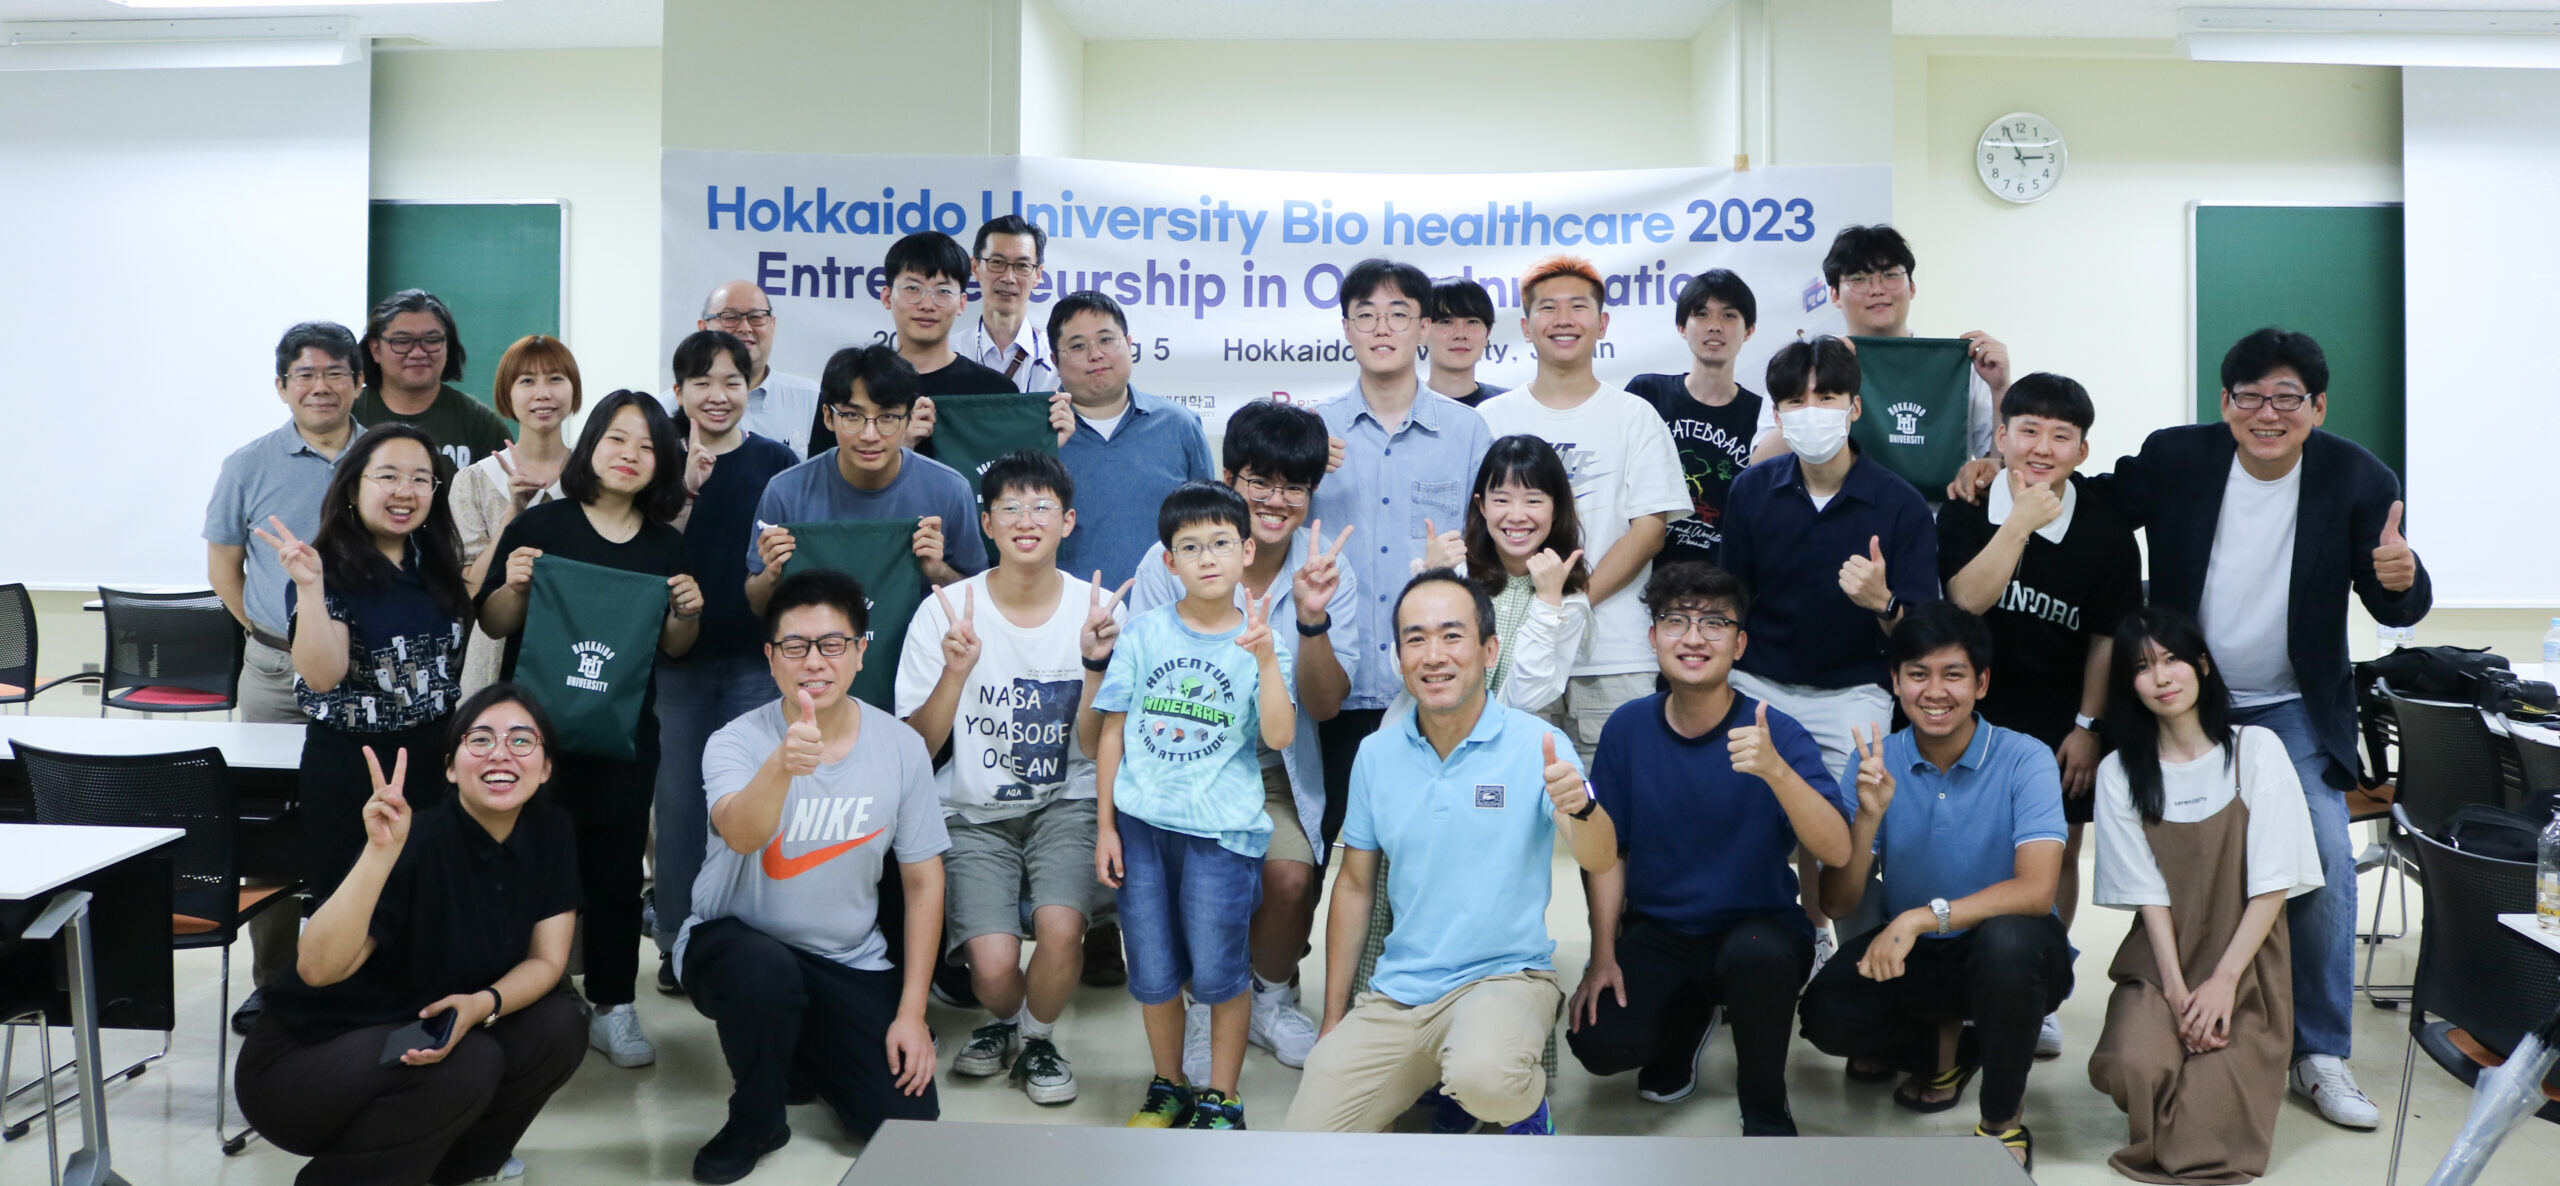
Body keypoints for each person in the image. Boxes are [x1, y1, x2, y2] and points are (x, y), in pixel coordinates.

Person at [1949, 327, 2430, 1130]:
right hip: (2177, 696)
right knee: (2154, 849)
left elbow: (2394, 600)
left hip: (2288, 707)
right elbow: (2085, 495)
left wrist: (2404, 580)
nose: (2267, 413)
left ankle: (2320, 1051)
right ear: (2224, 403)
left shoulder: (2355, 478)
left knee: (2320, 858)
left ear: (2317, 407)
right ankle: (2125, 995)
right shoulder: (2178, 458)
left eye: (2287, 399)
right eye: (2250, 396)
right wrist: (1999, 468)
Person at [1285, 570, 1615, 1136]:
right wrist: (1334, 1016)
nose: (1433, 655)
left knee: (1486, 1076)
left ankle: (1521, 1106)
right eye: (1416, 638)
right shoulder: (1376, 754)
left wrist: (1580, 806)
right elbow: (1356, 885)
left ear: (1489, 650)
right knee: (1309, 1141)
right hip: (1402, 992)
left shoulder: (1537, 743)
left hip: (1507, 978)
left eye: (1452, 635)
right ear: (1400, 656)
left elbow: (1600, 857)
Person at [235, 685, 587, 1186]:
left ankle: (454, 1169)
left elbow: (548, 963)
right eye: (480, 740)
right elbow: (317, 969)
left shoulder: (551, 832)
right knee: (470, 1058)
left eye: (522, 741)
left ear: (546, 766)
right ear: (450, 767)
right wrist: (378, 854)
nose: (501, 753)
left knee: (558, 1025)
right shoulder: (413, 841)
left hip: (416, 1032)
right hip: (307, 1062)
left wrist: (480, 1004)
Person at [678, 570, 949, 1184]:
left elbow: (923, 883)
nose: (813, 662)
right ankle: (755, 1120)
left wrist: (911, 1013)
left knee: (904, 1120)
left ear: (859, 651)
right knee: (764, 974)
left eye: (832, 644)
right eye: (795, 647)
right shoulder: (735, 742)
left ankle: (800, 1054)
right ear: (771, 658)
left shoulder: (901, 747)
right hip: (734, 943)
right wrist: (781, 765)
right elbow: (743, 835)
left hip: (848, 957)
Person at [1566, 562, 1849, 1134]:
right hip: (1661, 928)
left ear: (1739, 643)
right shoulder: (1627, 728)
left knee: (1756, 958)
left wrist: (1777, 772)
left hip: (1758, 924)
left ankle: (1765, 1104)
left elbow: (1837, 848)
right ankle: (1687, 1020)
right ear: (1652, 639)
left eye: (1714, 623)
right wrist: (1603, 954)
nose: (1693, 637)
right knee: (1598, 1042)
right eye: (1675, 621)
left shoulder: (1776, 730)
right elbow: (1610, 853)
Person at [1799, 600, 2071, 1173]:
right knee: (1826, 1015)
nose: (1935, 691)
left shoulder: (2026, 758)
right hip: (1920, 960)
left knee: (2008, 944)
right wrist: (1868, 818)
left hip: (2011, 957)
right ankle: (1949, 1049)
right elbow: (1837, 903)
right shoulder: (1875, 758)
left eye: (1953, 675)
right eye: (1918, 674)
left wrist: (1919, 917)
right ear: (1895, 682)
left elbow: (2037, 891)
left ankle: (2002, 1122)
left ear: (1982, 682)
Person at [477, 391, 705, 1070]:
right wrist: (514, 584)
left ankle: (614, 1005)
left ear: (663, 461)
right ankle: (514, 1001)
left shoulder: (667, 546)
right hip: (530, 746)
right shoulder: (542, 528)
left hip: (622, 744)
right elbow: (493, 623)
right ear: (590, 446)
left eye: (646, 446)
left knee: (612, 878)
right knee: (519, 873)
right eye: (616, 439)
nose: (630, 455)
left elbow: (676, 648)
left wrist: (686, 612)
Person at [1128, 402, 1358, 1076]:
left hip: (1272, 761)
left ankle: (1269, 996)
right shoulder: (1168, 559)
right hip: (1178, 762)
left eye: (1294, 486)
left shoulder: (1322, 569)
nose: (1277, 499)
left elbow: (1325, 704)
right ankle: (1205, 1004)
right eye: (1260, 481)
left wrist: (1312, 621)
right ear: (1229, 478)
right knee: (1188, 879)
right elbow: (1138, 686)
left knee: (1289, 877)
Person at [893, 451, 1121, 1105]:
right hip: (968, 809)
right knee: (992, 969)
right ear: (987, 524)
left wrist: (1093, 664)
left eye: (1043, 506)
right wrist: (955, 673)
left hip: (1068, 802)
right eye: (1011, 508)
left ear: (1068, 521)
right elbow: (916, 747)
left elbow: (1091, 743)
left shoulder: (1099, 611)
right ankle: (1006, 1021)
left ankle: (1037, 1039)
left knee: (1057, 929)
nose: (1028, 520)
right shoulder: (944, 611)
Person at [1937, 371, 2143, 1057]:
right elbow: (1965, 600)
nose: (2042, 447)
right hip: (1973, 716)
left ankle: (2041, 988)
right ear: (2001, 436)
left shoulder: (2109, 532)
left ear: (2083, 451)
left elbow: (2107, 641)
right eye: (2028, 430)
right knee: (1968, 847)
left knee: (2056, 853)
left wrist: (2087, 729)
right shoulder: (1967, 506)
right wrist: (2018, 523)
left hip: (2061, 721)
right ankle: (1965, 981)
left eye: (2061, 436)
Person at [1084, 481, 1297, 1131]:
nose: (1207, 558)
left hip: (1221, 835)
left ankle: (1222, 1095)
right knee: (1151, 971)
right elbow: (1112, 731)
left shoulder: (1261, 639)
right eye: (1190, 547)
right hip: (1142, 831)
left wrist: (1264, 662)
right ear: (1168, 562)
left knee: (1219, 974)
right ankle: (1169, 1084)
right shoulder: (1145, 633)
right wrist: (1105, 828)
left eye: (1221, 544)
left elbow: (1279, 737)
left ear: (1246, 551)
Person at [1721, 335, 1938, 963]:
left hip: (1855, 689)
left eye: (1828, 396)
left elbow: (1923, 632)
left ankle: (1855, 964)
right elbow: (1731, 600)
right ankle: (1765, 947)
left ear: (1855, 407)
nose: (1811, 410)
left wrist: (1884, 602)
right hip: (1759, 682)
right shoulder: (1752, 492)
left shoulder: (1899, 504)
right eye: (1795, 399)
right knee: (1742, 820)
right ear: (1778, 413)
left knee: (1849, 834)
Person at [2087, 606, 2324, 1184]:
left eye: (2172, 659)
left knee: (2205, 1146)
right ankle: (2164, 1088)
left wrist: (2221, 984)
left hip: (2244, 969)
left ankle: (2187, 1112)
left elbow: (2272, 887)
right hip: (2162, 963)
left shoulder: (2257, 750)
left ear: (2202, 665)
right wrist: (2174, 991)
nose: (2162, 677)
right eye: (2143, 667)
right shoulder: (2120, 772)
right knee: (2130, 1064)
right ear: (2129, 684)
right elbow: (2149, 897)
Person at [204, 320, 366, 1032]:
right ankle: (273, 980)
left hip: (369, 672)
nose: (321, 384)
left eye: (335, 371)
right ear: (282, 386)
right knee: (266, 828)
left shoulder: (388, 457)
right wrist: (270, 635)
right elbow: (224, 566)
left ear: (359, 381)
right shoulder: (248, 464)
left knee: (365, 819)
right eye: (305, 373)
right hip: (272, 671)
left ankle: (356, 968)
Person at [1476, 255, 1689, 764]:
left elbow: (1650, 531)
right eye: (1547, 308)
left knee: (1617, 817)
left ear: (1603, 323)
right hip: (1510, 654)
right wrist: (1534, 619)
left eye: (1579, 306)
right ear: (1526, 327)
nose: (1564, 319)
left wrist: (1569, 606)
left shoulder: (1636, 416)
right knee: (1516, 802)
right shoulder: (1490, 418)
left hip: (1613, 655)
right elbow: (1475, 528)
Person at [1310, 259, 1493, 850]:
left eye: (1398, 314)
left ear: (1423, 330)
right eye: (1365, 315)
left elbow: (1488, 554)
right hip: (1334, 680)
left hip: (1432, 681)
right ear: (1346, 328)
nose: (1381, 328)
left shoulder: (1468, 432)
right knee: (1319, 848)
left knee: (1435, 851)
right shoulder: (1314, 432)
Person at [254, 424, 469, 902]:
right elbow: (323, 674)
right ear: (354, 487)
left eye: (420, 479)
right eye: (388, 476)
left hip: (431, 759)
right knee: (352, 908)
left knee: (424, 903)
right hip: (352, 765)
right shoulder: (321, 568)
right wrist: (310, 588)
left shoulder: (433, 565)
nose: (404, 491)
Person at [652, 330, 802, 994]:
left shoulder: (778, 462)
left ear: (752, 388)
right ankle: (676, 941)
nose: (718, 396)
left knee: (750, 804)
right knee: (679, 807)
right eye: (702, 383)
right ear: (679, 390)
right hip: (673, 665)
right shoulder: (653, 460)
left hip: (753, 664)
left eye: (732, 382)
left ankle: (744, 939)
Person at [750, 345, 985, 616]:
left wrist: (937, 570)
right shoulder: (786, 491)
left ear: (908, 418)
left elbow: (977, 601)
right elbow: (758, 606)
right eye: (853, 416)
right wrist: (773, 574)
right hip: (817, 657)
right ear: (828, 417)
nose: (870, 434)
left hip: (918, 656)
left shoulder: (950, 489)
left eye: (887, 417)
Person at [1753, 225, 2006, 465]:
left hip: (1933, 511)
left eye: (1890, 275)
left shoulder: (1958, 368)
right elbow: (1760, 463)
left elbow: (1999, 465)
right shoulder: (1805, 364)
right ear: (1834, 295)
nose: (1877, 289)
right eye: (1859, 279)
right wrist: (1817, 387)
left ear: (1913, 287)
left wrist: (2000, 388)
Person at [1050, 289, 1216, 592]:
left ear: (1129, 344)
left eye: (1106, 339)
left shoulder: (1180, 426)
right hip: (1065, 623)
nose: (1095, 354)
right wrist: (1043, 449)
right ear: (1054, 361)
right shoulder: (1038, 435)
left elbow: (1211, 530)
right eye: (1077, 345)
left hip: (1167, 620)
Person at [451, 335, 580, 698]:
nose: (543, 393)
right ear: (507, 394)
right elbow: (471, 588)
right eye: (527, 381)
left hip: (573, 655)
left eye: (556, 379)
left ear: (573, 390)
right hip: (492, 658)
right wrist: (514, 510)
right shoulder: (473, 480)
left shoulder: (592, 478)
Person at [819, 230, 1015, 458]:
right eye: (913, 288)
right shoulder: (851, 383)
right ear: (886, 297)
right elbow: (821, 475)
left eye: (943, 291)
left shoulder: (995, 392)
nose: (927, 304)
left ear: (962, 303)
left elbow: (1013, 483)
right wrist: (896, 446)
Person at [1625, 269, 1763, 569]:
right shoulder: (1646, 394)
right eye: (1701, 314)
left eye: (1729, 316)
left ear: (1749, 329)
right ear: (1682, 327)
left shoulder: (1761, 415)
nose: (1715, 326)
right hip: (1642, 576)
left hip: (1723, 586)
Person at [1455, 435, 1592, 714]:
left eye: (1533, 500)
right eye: (1502, 500)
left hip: (1508, 749)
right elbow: (1405, 671)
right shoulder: (1455, 573)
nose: (1516, 516)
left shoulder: (1568, 601)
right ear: (1481, 505)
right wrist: (1432, 582)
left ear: (1556, 508)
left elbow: (1526, 699)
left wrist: (1547, 601)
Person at [356, 289, 514, 470]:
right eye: (402, 341)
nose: (418, 353)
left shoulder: (481, 425)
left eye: (431, 340)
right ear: (375, 349)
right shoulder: (348, 415)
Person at [694, 279, 823, 459]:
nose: (745, 327)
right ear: (703, 329)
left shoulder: (813, 399)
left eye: (756, 317)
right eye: (730, 317)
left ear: (773, 324)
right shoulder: (670, 408)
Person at [967, 215, 1060, 392]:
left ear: (1038, 275)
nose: (1009, 278)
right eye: (997, 263)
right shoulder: (951, 352)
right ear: (975, 267)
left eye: (1022, 266)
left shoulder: (1057, 358)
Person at [1424, 278, 1508, 407]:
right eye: (1446, 322)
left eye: (1472, 322)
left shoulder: (1507, 406)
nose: (1460, 334)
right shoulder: (1396, 408)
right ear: (1422, 331)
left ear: (1488, 333)